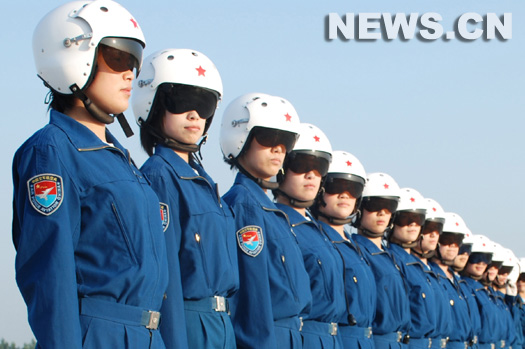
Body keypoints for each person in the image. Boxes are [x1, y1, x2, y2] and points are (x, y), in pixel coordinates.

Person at [12, 1, 169, 347]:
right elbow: (50, 277)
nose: (130, 73)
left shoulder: (121, 161)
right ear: (71, 57)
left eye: (135, 61)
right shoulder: (51, 152)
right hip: (99, 336)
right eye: (118, 57)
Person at [132, 48, 239, 349]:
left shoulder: (202, 181)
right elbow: (166, 279)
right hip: (188, 324)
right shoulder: (160, 176)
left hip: (221, 326)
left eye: (204, 105)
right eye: (181, 102)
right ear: (154, 105)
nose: (194, 115)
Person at [220, 93, 312, 349]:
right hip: (267, 336)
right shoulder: (244, 205)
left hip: (290, 334)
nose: (278, 149)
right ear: (242, 138)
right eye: (268, 138)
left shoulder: (269, 210)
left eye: (286, 141)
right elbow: (252, 295)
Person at [273, 123, 345, 348]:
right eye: (302, 165)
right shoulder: (277, 225)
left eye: (319, 168)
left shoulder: (319, 233)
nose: (311, 175)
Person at [312, 150, 377, 348]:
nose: (345, 195)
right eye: (336, 187)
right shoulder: (315, 240)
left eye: (353, 189)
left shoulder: (355, 248)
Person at [352, 172, 411, 348]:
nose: (382, 213)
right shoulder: (356, 252)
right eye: (375, 205)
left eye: (389, 206)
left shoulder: (391, 257)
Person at [386, 188, 451, 349]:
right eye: (406, 219)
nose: (413, 224)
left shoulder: (420, 269)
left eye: (418, 219)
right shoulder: (393, 260)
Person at [428, 211, 474, 348]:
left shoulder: (457, 281)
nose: (453, 246)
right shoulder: (430, 275)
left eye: (457, 241)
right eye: (447, 240)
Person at [460, 235, 503, 349]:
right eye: (476, 258)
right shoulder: (464, 286)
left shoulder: (482, 291)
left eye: (486, 259)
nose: (481, 263)